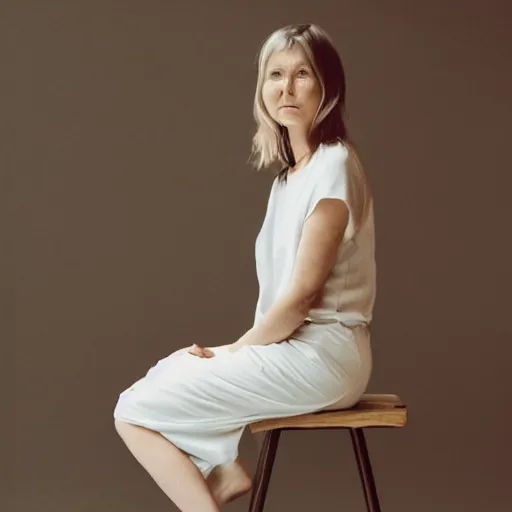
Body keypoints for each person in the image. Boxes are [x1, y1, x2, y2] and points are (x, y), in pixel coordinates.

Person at [113, 23, 376, 512]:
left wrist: (231, 350)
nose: (287, 87)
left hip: (325, 357)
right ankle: (223, 468)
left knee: (133, 410)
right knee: (170, 370)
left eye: (303, 74)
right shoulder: (288, 180)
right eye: (275, 75)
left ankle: (210, 490)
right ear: (263, 88)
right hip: (293, 349)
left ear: (328, 87)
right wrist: (226, 354)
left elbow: (299, 299)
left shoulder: (333, 166)